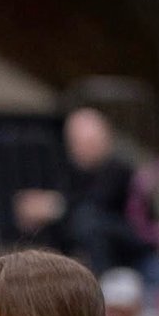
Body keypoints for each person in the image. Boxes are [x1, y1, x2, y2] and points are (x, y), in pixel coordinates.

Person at [13, 107, 140, 274]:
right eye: (78, 142)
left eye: (91, 142)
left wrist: (54, 206)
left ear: (106, 139)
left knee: (86, 218)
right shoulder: (66, 172)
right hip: (75, 247)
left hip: (126, 249)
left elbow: (97, 203)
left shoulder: (121, 170)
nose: (84, 149)